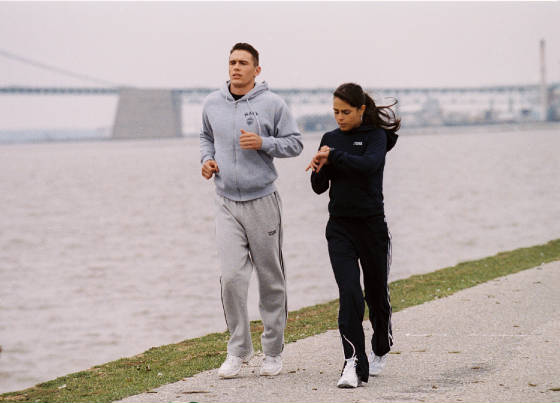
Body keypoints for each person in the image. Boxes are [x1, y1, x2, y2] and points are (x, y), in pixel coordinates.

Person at [200, 42, 303, 379]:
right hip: (226, 202)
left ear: (256, 70)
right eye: (232, 62)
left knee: (271, 279)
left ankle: (272, 351)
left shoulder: (273, 104)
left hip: (262, 201)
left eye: (243, 63)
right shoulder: (212, 103)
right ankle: (238, 350)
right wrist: (207, 160)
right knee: (231, 278)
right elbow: (205, 137)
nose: (236, 67)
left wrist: (263, 143)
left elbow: (295, 143)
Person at [306, 83, 399, 388]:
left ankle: (381, 345)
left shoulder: (376, 137)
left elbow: (368, 166)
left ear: (361, 110)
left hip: (372, 228)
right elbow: (319, 188)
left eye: (346, 112)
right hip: (340, 229)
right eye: (335, 112)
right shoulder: (330, 139)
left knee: (376, 294)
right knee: (349, 295)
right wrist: (320, 167)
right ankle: (353, 363)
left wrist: (334, 157)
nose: (340, 117)